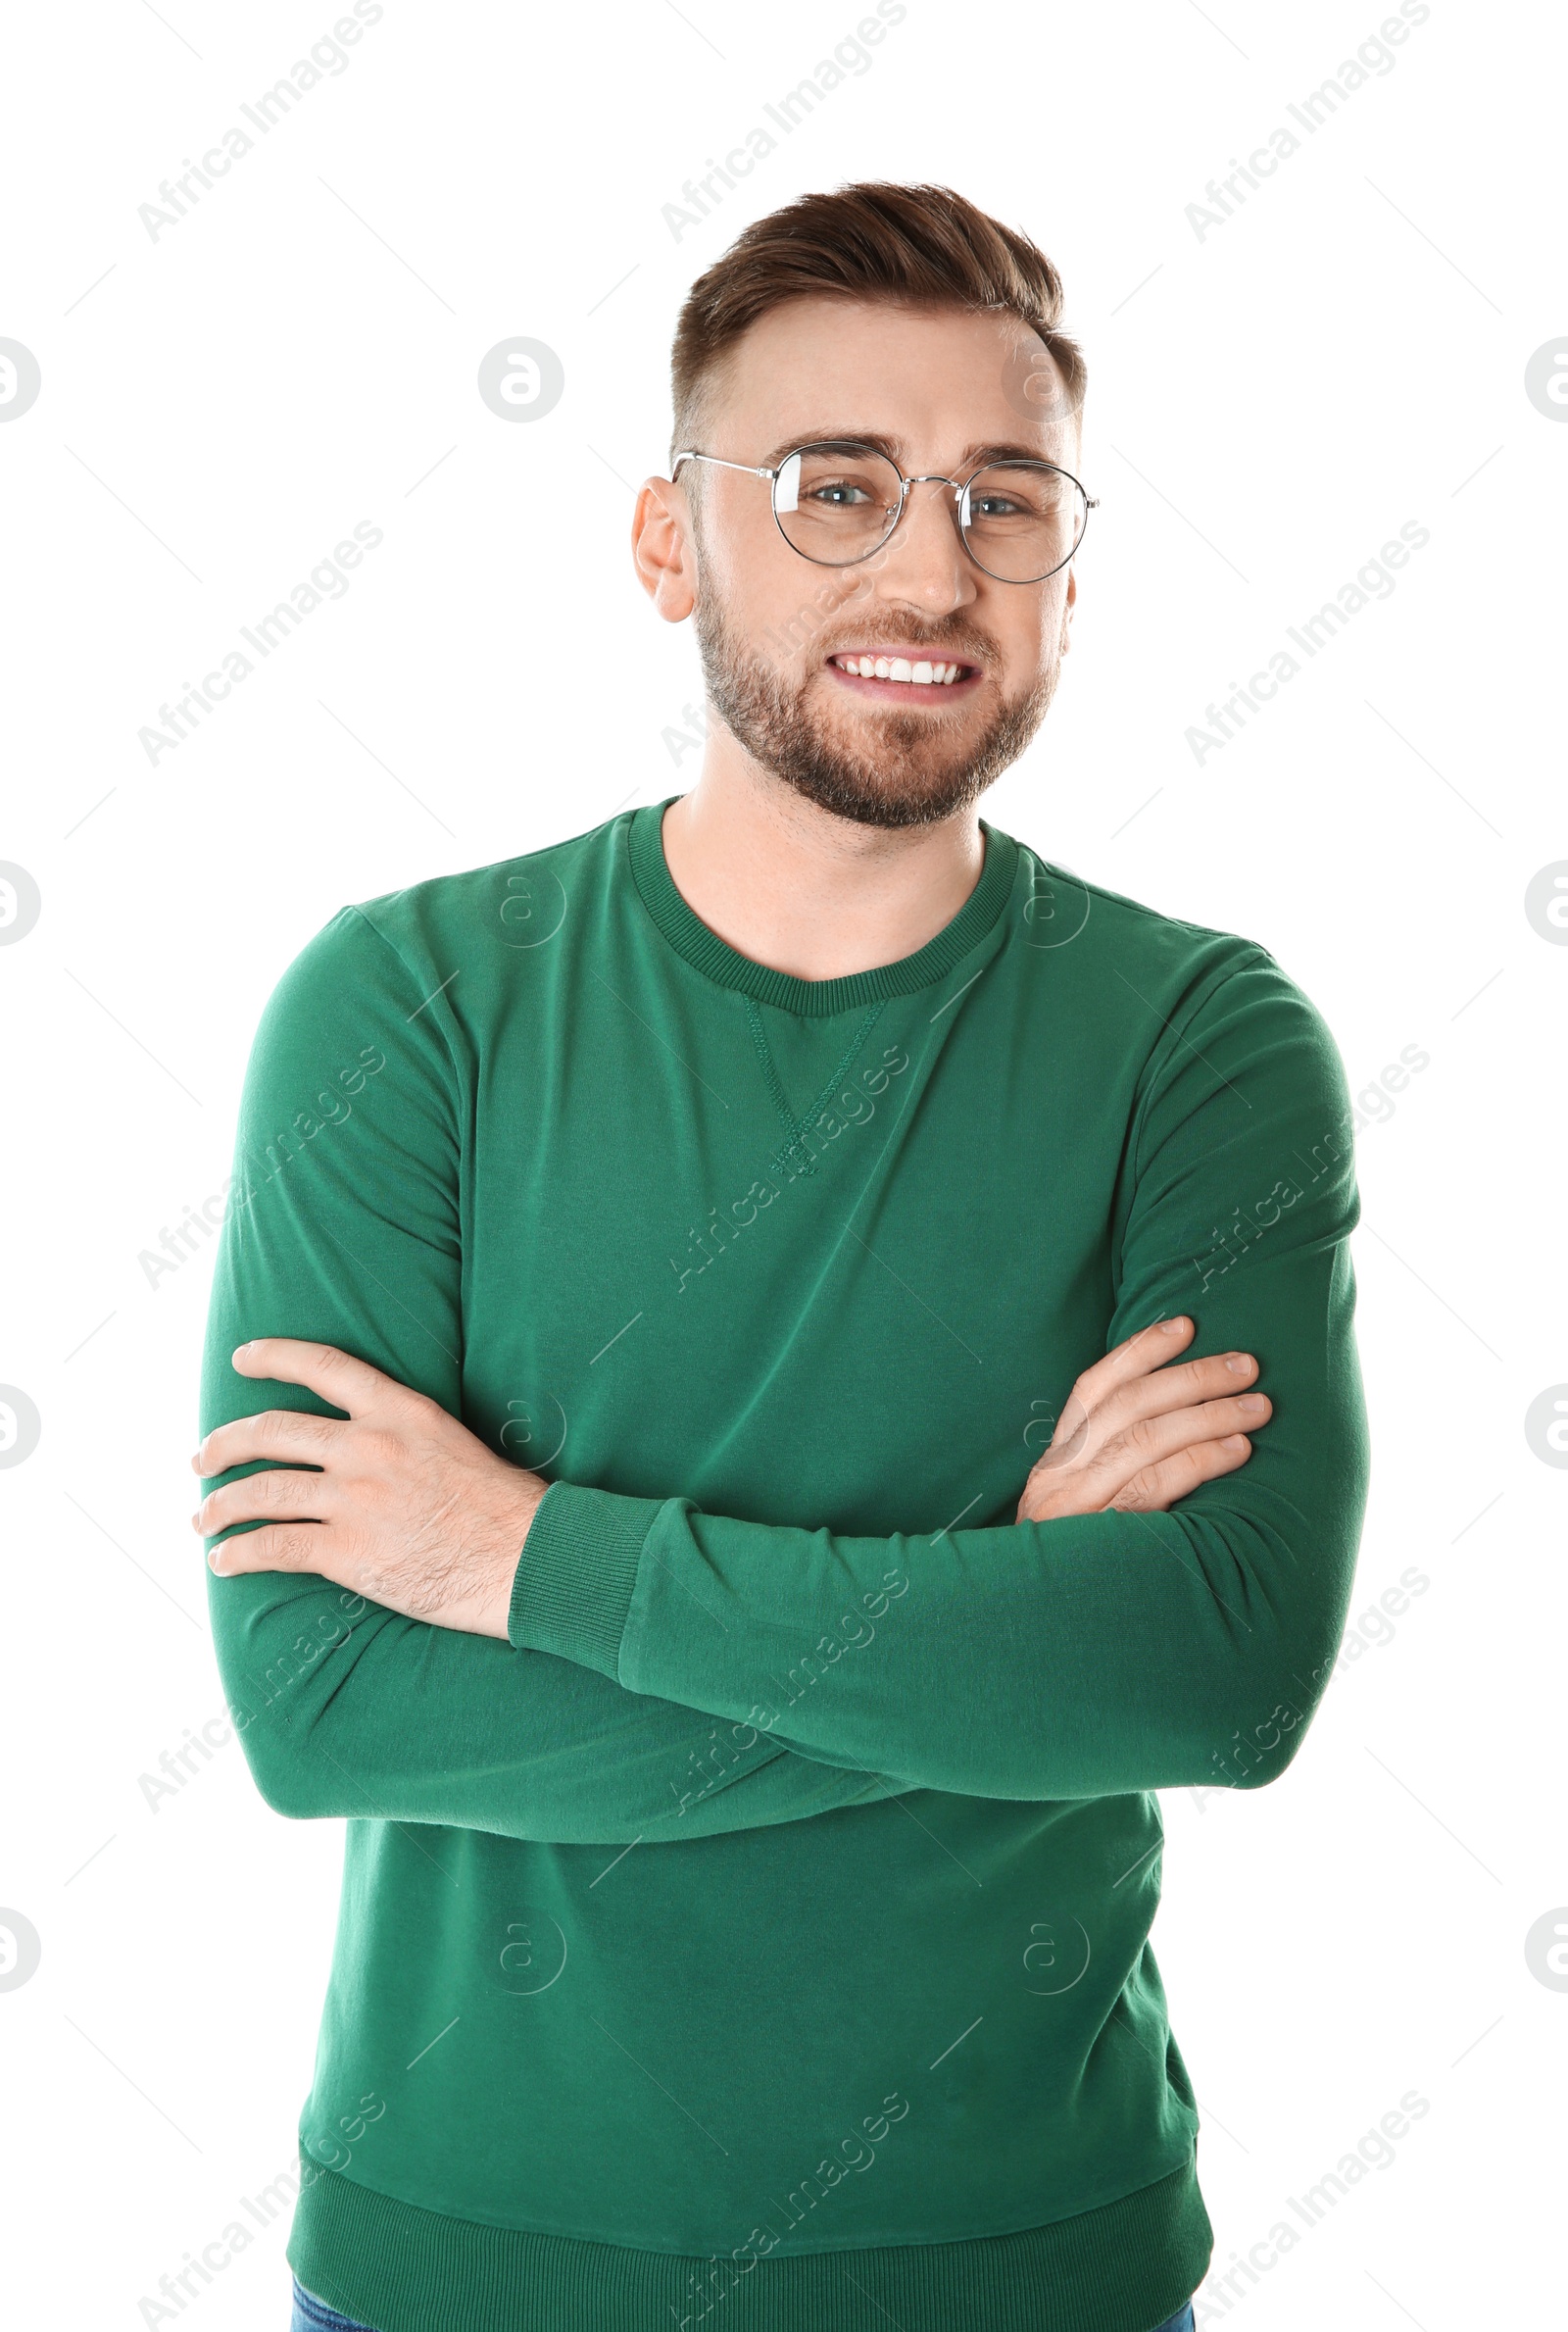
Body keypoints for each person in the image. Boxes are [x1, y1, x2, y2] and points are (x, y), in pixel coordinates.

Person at [195, 180, 1369, 2332]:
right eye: (836, 488)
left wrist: (525, 1550)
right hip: (460, 2265)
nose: (927, 568)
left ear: (1063, 572)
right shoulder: (407, 1009)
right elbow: (323, 1696)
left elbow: (1212, 1671)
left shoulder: (1198, 1042)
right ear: (669, 543)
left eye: (1000, 499)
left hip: (1034, 2273)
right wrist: (991, 1618)